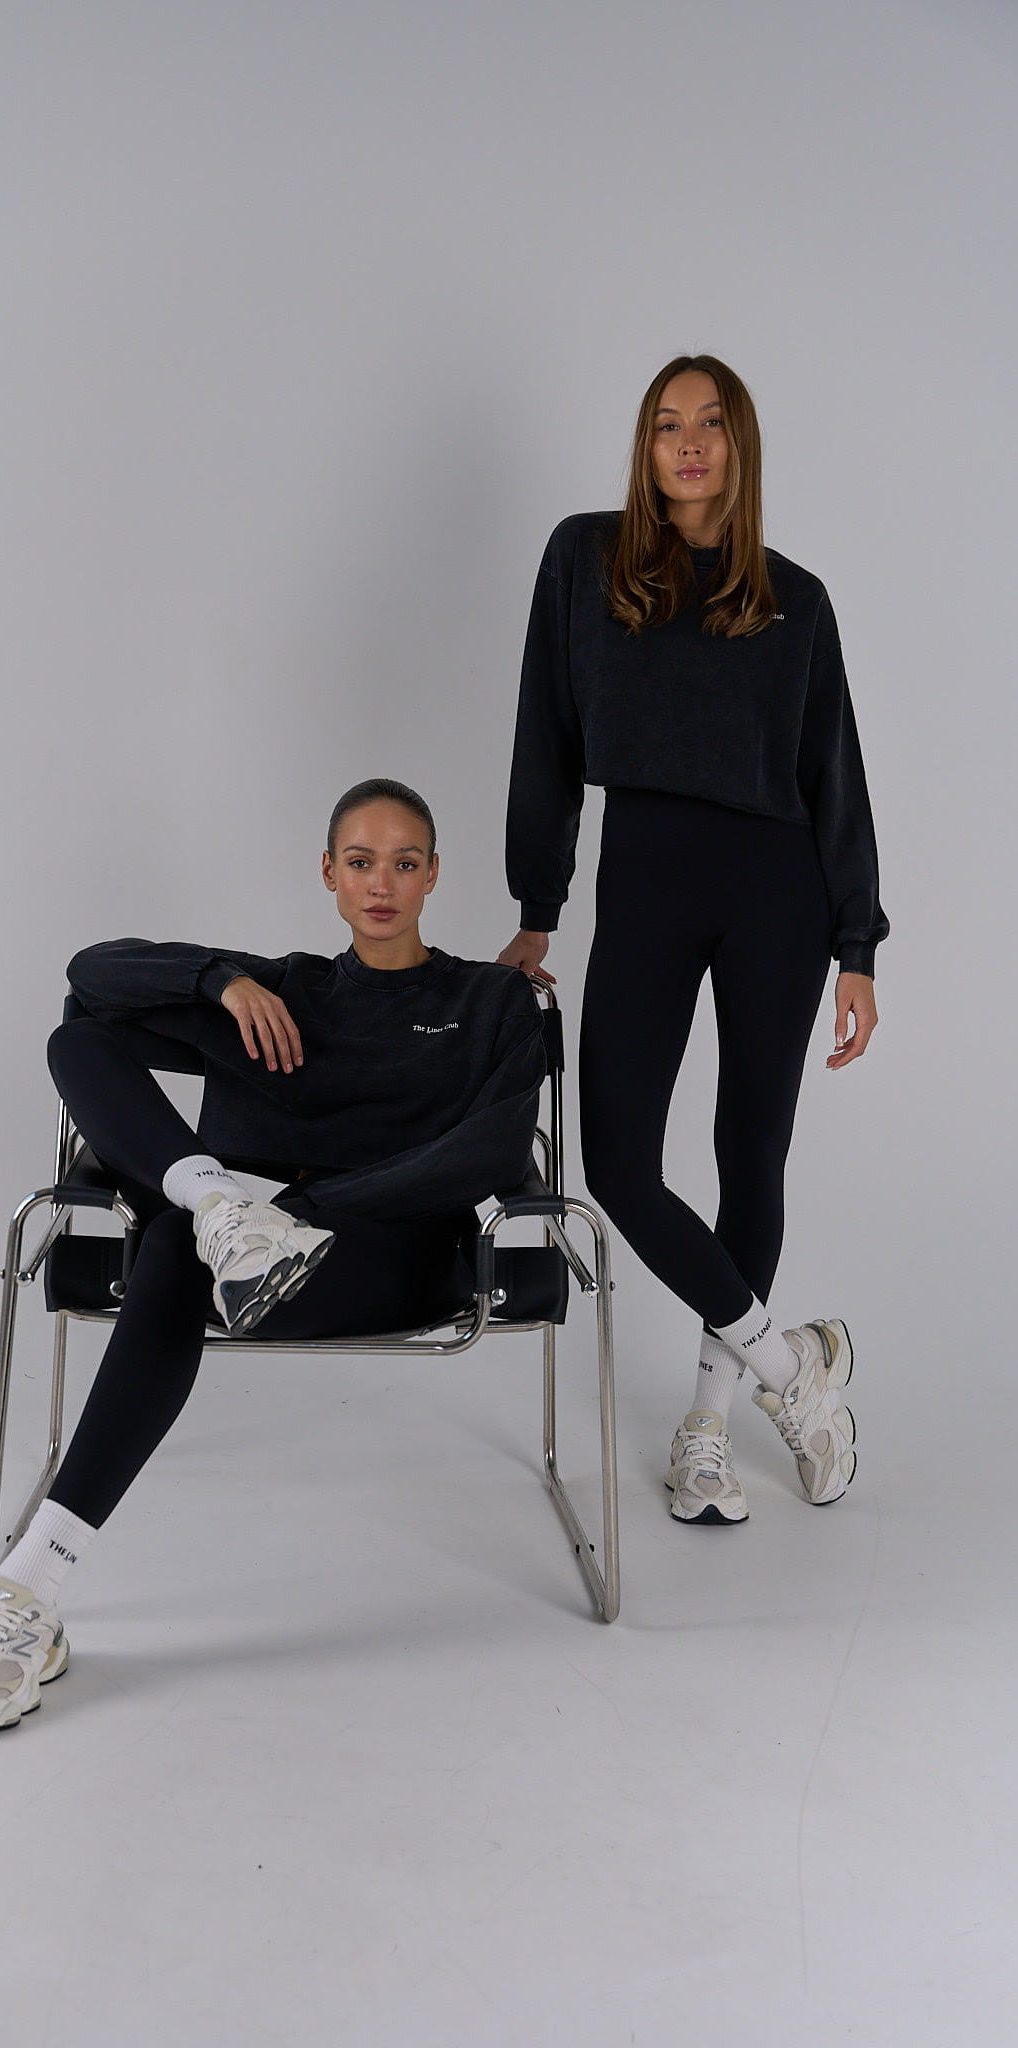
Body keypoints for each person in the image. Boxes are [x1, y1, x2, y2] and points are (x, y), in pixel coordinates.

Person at [0, 778, 546, 1732]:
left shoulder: (488, 997)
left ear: (432, 876)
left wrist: (300, 1211)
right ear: (328, 874)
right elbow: (92, 980)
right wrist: (221, 980)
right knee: (80, 1051)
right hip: (231, 1252)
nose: (381, 883)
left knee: (179, 1248)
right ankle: (212, 1204)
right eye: (360, 861)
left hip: (395, 1258)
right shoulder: (288, 988)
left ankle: (28, 1582)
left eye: (403, 863)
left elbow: (496, 1153)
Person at [499, 354, 887, 1527]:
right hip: (649, 876)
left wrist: (857, 944)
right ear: (646, 445)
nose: (689, 443)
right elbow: (544, 731)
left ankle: (709, 1429)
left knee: (748, 1151)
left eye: (711, 423)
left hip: (779, 888)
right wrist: (537, 905)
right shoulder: (586, 561)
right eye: (667, 423)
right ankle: (791, 1366)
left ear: (739, 443)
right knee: (618, 1162)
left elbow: (835, 773)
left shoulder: (795, 599)